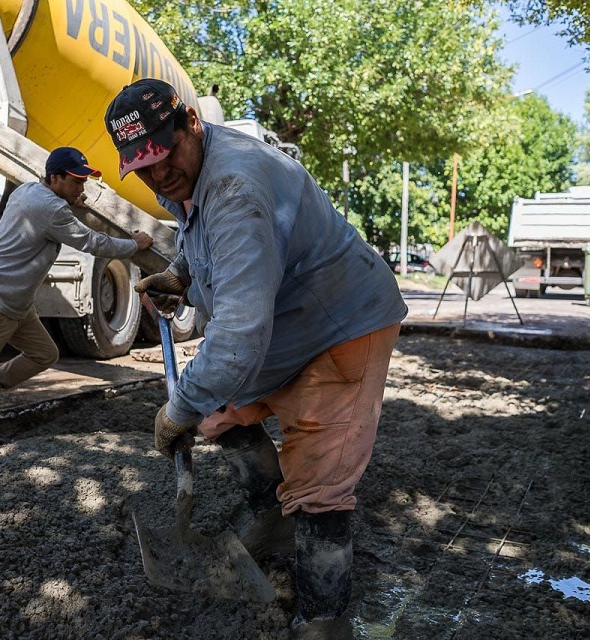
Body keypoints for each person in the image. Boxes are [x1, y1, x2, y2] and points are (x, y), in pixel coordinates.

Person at [105, 79, 407, 639]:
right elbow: (203, 237)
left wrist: (178, 408)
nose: (159, 175)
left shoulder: (236, 187)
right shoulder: (189, 174)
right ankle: (271, 517)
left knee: (318, 483)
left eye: (165, 155)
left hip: (340, 325)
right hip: (283, 323)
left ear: (191, 122)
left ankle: (322, 621)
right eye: (144, 167)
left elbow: (240, 335)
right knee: (218, 416)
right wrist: (182, 274)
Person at [0, 147, 154, 448]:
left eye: (84, 181)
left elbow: (55, 220)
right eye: (76, 181)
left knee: (44, 354)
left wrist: (72, 204)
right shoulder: (52, 209)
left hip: (15, 304)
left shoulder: (26, 191)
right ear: (55, 178)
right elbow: (90, 242)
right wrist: (133, 244)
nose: (82, 188)